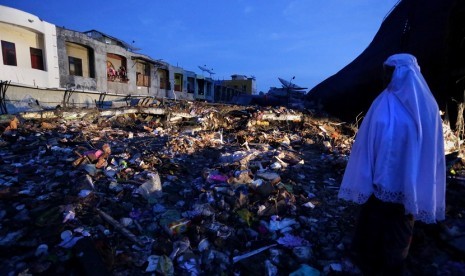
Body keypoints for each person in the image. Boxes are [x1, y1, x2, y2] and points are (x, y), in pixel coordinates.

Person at [338, 53, 446, 275]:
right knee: (373, 224)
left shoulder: (426, 108)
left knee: (398, 229)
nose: (385, 78)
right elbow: (367, 142)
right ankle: (369, 262)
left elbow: (430, 151)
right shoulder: (384, 102)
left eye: (389, 72)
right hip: (381, 181)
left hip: (408, 184)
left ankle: (391, 266)